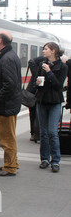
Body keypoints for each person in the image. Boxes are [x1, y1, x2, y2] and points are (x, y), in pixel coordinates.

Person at [0, 30, 22, 177]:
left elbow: (9, 84)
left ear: (1, 41)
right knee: (9, 136)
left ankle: (10, 167)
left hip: (6, 105)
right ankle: (13, 163)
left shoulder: (7, 58)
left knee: (7, 138)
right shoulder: (8, 55)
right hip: (7, 104)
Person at [35, 42, 67, 172]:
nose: (43, 51)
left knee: (52, 132)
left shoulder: (63, 67)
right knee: (43, 133)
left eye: (46, 49)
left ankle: (55, 160)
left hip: (54, 102)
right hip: (42, 100)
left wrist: (49, 72)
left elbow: (59, 86)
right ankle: (44, 159)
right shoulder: (42, 64)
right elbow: (38, 81)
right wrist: (38, 82)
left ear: (53, 51)